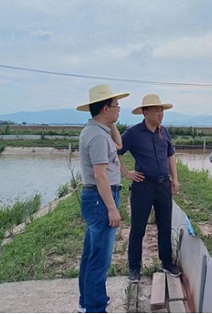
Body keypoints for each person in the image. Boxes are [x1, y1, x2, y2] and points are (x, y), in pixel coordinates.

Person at [76, 83, 129, 313]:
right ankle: (95, 308)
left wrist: (112, 124)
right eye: (116, 107)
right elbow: (100, 175)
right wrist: (111, 208)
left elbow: (119, 145)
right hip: (101, 199)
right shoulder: (97, 137)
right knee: (100, 258)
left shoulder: (99, 131)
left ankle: (87, 301)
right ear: (105, 109)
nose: (119, 110)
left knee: (91, 254)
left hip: (97, 199)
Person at [118, 93, 181, 283]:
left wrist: (175, 179)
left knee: (165, 226)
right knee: (138, 229)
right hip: (143, 187)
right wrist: (126, 173)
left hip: (163, 185)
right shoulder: (133, 133)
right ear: (145, 112)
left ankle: (166, 262)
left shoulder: (165, 132)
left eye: (162, 110)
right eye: (156, 110)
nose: (160, 113)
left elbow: (170, 156)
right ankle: (134, 268)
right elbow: (115, 152)